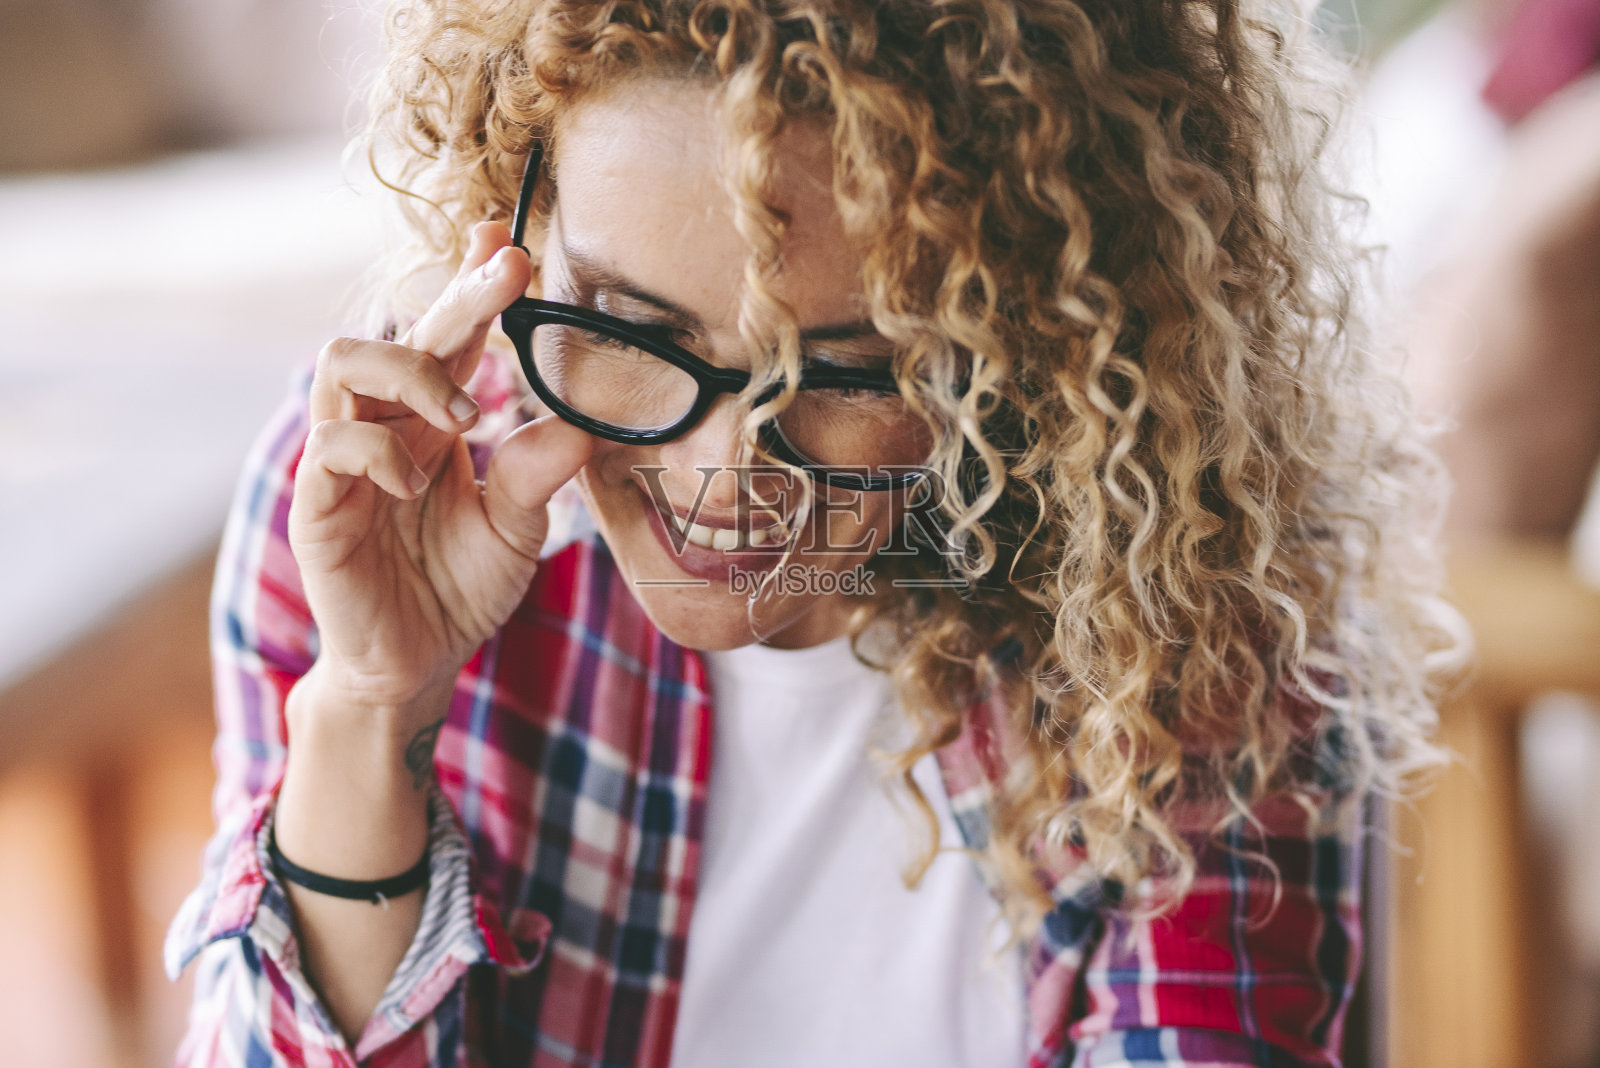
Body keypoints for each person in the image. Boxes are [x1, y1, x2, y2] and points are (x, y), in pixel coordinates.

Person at [163, 1, 1461, 1065]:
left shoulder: (1182, 586)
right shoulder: (375, 498)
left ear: (1034, 343)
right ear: (514, 235)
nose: (723, 475)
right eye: (630, 330)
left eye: (845, 370)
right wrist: (365, 709)